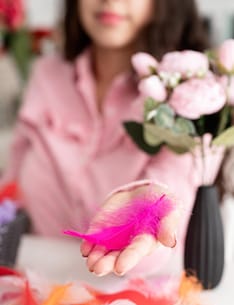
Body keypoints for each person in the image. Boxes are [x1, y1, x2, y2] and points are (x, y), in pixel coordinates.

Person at [1, 0, 210, 276]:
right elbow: (11, 189)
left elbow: (162, 239)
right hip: (31, 283)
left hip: (129, 298)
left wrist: (149, 210)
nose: (110, 1)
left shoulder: (191, 96)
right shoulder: (47, 73)